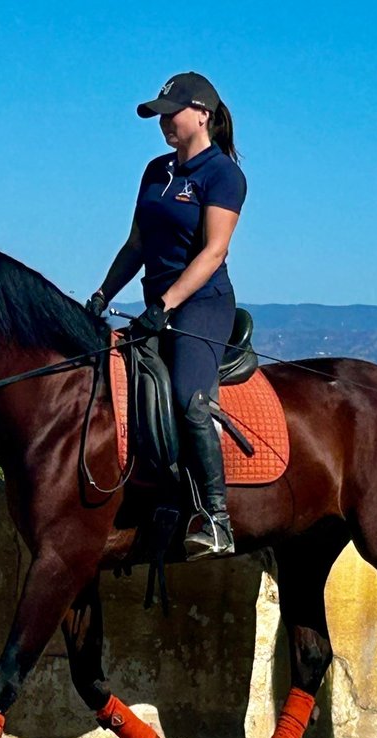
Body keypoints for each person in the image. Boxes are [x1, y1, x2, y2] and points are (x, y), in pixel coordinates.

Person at [87, 71, 246, 560]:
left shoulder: (223, 175)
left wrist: (166, 303)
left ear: (202, 114)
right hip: (157, 304)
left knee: (188, 398)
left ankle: (215, 518)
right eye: (159, 116)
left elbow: (213, 252)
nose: (163, 124)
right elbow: (136, 244)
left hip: (201, 305)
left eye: (170, 113)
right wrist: (102, 293)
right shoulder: (156, 170)